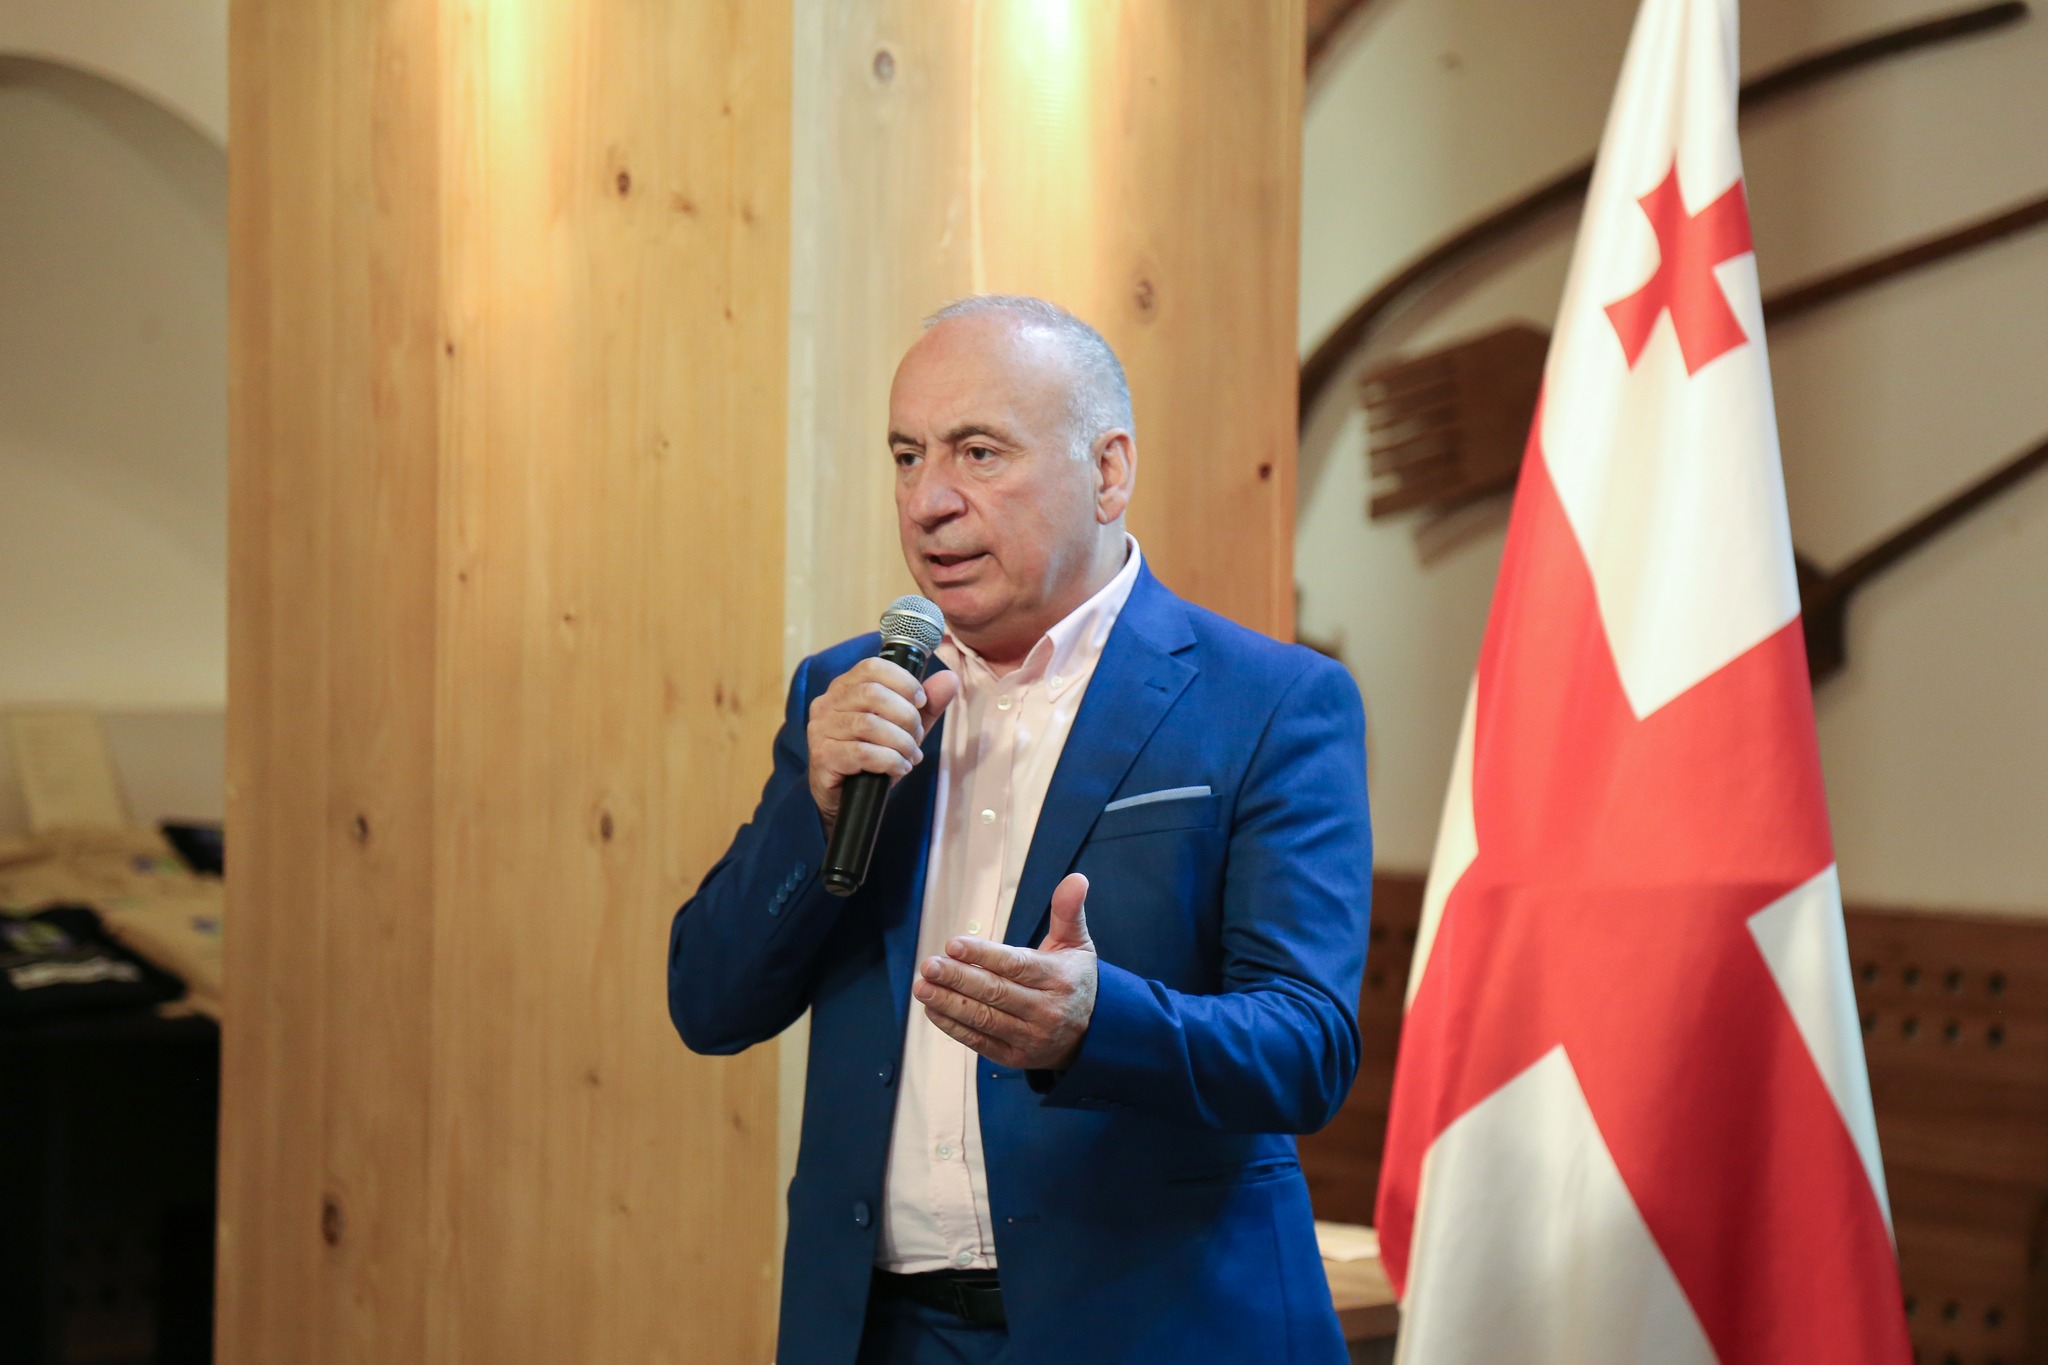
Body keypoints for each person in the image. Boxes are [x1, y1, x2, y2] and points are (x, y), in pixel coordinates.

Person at [669, 295, 1372, 1364]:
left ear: (1107, 472)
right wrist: (815, 816)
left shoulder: (1268, 702)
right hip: (880, 1332)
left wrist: (1098, 1025)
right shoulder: (853, 693)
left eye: (979, 452)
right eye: (907, 457)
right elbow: (709, 1002)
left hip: (1153, 1330)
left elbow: (1306, 1047)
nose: (928, 502)